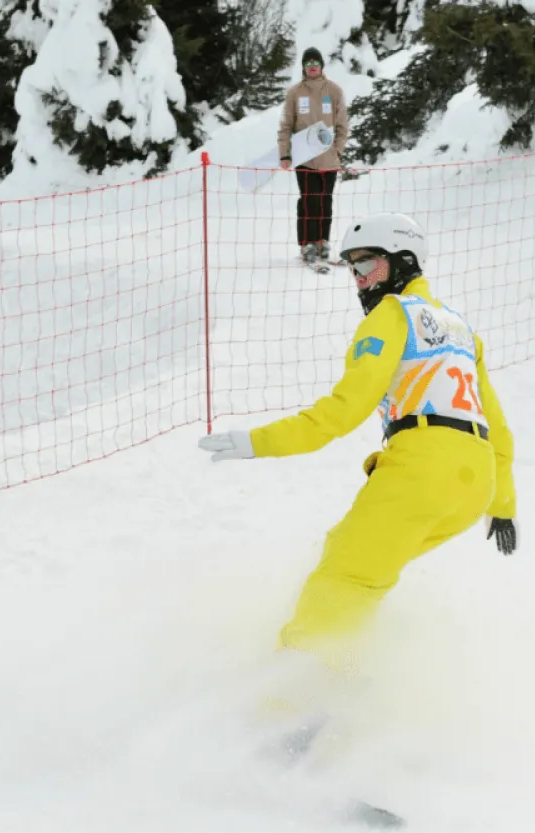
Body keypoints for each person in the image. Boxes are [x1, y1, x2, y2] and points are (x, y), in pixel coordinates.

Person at [199, 212, 518, 686]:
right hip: (471, 489)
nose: (359, 278)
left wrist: (256, 443)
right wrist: (502, 504)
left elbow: (342, 412)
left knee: (343, 577)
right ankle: (343, 681)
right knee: (366, 575)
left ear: (404, 262)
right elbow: (496, 428)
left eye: (368, 264)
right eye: (352, 267)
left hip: (421, 472)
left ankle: (290, 703)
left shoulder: (393, 316)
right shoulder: (461, 330)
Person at [277, 47, 350, 267]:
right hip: (304, 159)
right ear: (303, 67)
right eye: (307, 63)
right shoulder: (295, 93)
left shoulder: (334, 91)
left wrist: (337, 150)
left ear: (321, 65)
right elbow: (286, 126)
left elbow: (342, 125)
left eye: (315, 62)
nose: (312, 66)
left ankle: (322, 241)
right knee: (309, 201)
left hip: (329, 160)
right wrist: (285, 154)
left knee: (326, 201)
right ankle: (307, 244)